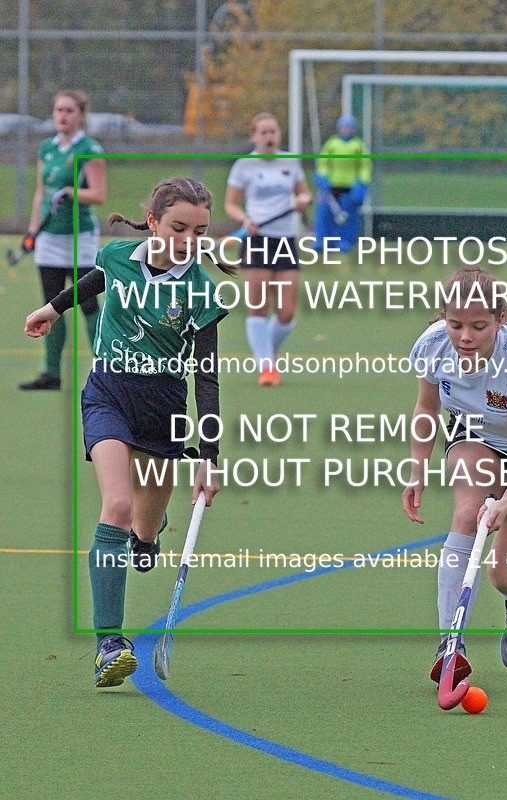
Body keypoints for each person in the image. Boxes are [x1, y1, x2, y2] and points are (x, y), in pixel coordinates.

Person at [24, 177, 234, 688]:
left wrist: (209, 455)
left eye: (200, 230)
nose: (188, 239)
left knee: (142, 528)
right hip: (109, 395)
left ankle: (147, 536)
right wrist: (53, 309)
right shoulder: (120, 255)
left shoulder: (201, 290)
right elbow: (97, 280)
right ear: (155, 220)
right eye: (179, 227)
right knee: (115, 506)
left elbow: (205, 377)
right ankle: (108, 645)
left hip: (163, 409)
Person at [402, 267, 507, 681]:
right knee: (466, 515)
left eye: (479, 326)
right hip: (476, 434)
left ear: (501, 320)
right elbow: (427, 409)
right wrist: (417, 469)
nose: (465, 337)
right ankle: (450, 646)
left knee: (504, 572)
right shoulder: (431, 347)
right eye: (455, 324)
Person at [19, 89, 107, 391]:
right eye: (58, 110)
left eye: (69, 111)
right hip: (49, 240)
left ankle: (107, 372)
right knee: (50, 304)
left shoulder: (90, 150)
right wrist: (32, 231)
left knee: (87, 304)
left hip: (78, 239)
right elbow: (41, 193)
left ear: (80, 115)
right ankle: (51, 374)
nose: (62, 116)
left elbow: (98, 194)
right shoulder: (47, 148)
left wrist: (72, 193)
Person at [224, 112, 312, 387]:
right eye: (263, 132)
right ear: (254, 136)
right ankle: (267, 367)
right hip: (257, 239)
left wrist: (302, 199)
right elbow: (231, 204)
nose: (269, 137)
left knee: (286, 313)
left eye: (273, 131)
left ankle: (266, 357)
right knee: (259, 307)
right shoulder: (244, 166)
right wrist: (244, 219)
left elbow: (303, 193)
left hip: (285, 239)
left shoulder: (291, 162)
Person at [313, 115, 372, 253]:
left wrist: (361, 182)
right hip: (331, 188)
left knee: (348, 216)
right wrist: (322, 177)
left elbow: (365, 166)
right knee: (325, 214)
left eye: (349, 127)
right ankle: (322, 240)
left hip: (350, 188)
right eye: (344, 127)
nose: (346, 130)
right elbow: (323, 162)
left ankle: (345, 241)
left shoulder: (358, 146)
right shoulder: (332, 144)